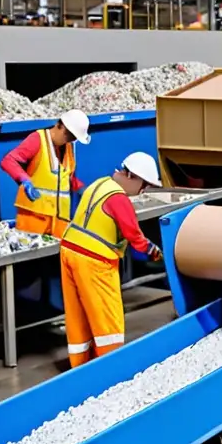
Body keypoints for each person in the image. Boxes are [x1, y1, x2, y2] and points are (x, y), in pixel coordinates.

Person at [59, 152, 164, 368]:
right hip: (94, 259)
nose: (142, 192)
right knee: (108, 316)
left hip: (69, 250)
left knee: (78, 316)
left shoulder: (100, 184)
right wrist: (154, 251)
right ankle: (111, 368)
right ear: (132, 177)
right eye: (144, 186)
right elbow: (135, 237)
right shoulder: (118, 198)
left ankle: (80, 367)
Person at [0, 109, 91, 237]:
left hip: (59, 221)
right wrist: (24, 180)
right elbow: (8, 161)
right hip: (34, 218)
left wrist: (83, 189)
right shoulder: (38, 139)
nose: (69, 140)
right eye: (68, 135)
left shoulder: (68, 147)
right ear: (60, 125)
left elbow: (65, 177)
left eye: (73, 138)